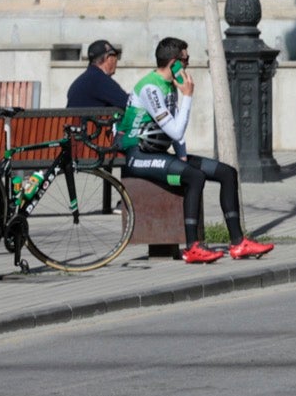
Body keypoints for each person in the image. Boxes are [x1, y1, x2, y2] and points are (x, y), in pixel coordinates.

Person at [116, 37, 275, 265]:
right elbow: (176, 130)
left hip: (158, 154)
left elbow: (176, 132)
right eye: (185, 59)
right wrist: (188, 95)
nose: (187, 64)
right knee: (194, 176)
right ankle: (193, 247)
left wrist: (182, 157)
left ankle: (238, 243)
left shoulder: (170, 86)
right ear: (174, 63)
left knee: (227, 173)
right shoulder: (151, 88)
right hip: (138, 157)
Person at [66, 40, 127, 110]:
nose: (116, 60)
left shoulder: (84, 79)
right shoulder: (99, 80)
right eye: (116, 56)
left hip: (75, 120)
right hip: (88, 121)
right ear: (109, 58)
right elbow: (127, 103)